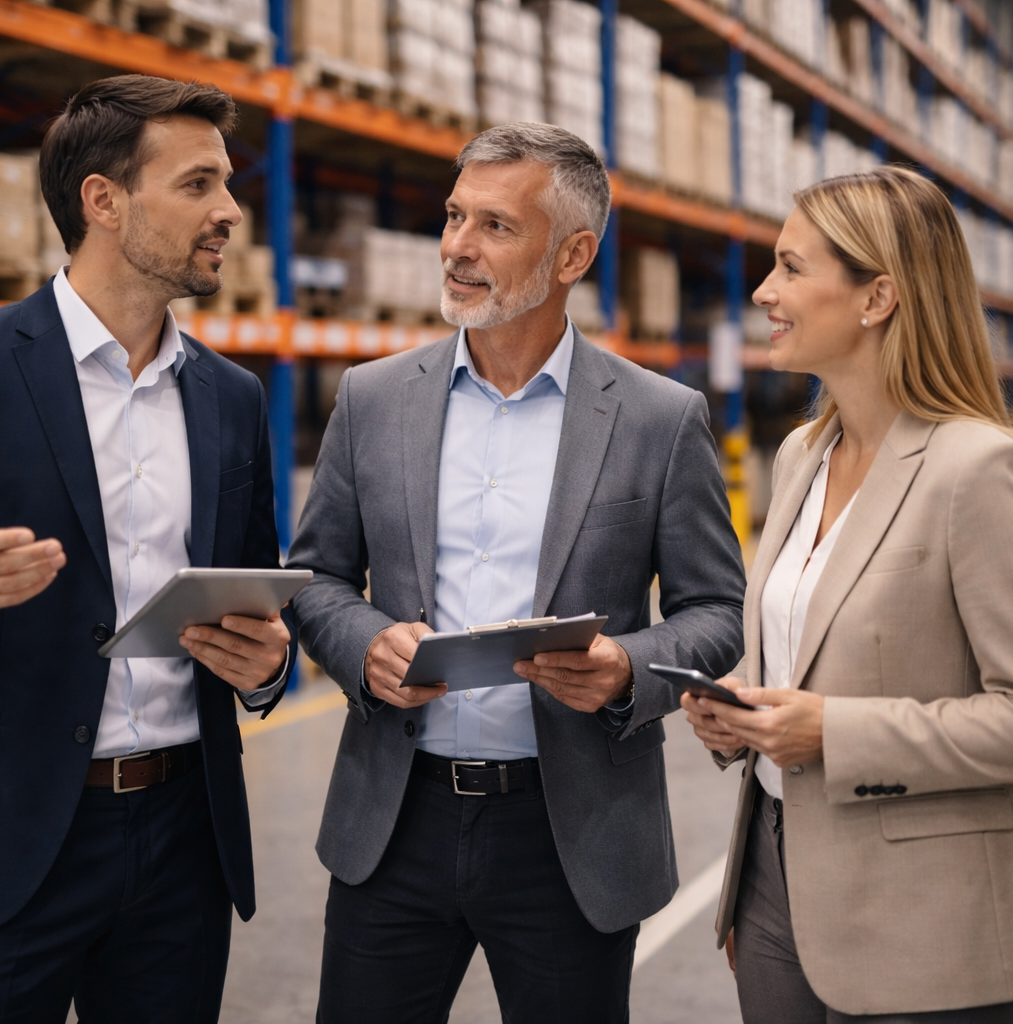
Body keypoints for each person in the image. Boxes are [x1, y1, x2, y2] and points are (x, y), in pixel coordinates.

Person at [0, 75, 296, 1022]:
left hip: (181, 838)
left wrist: (266, 670)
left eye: (227, 184)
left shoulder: (232, 398)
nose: (231, 211)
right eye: (198, 184)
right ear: (103, 201)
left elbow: (252, 592)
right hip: (0, 833)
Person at [287, 122, 747, 1023]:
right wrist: (366, 646)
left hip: (570, 833)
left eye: (495, 225)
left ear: (573, 254)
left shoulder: (659, 418)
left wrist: (625, 669)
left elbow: (716, 611)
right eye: (454, 216)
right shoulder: (373, 399)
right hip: (397, 821)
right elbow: (316, 579)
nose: (457, 246)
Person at [683, 166, 1013, 1023]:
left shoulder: (978, 471)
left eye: (791, 268)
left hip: (925, 915)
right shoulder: (802, 456)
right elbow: (808, 654)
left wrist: (831, 732)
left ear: (877, 297)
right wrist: (744, 713)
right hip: (775, 882)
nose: (763, 291)